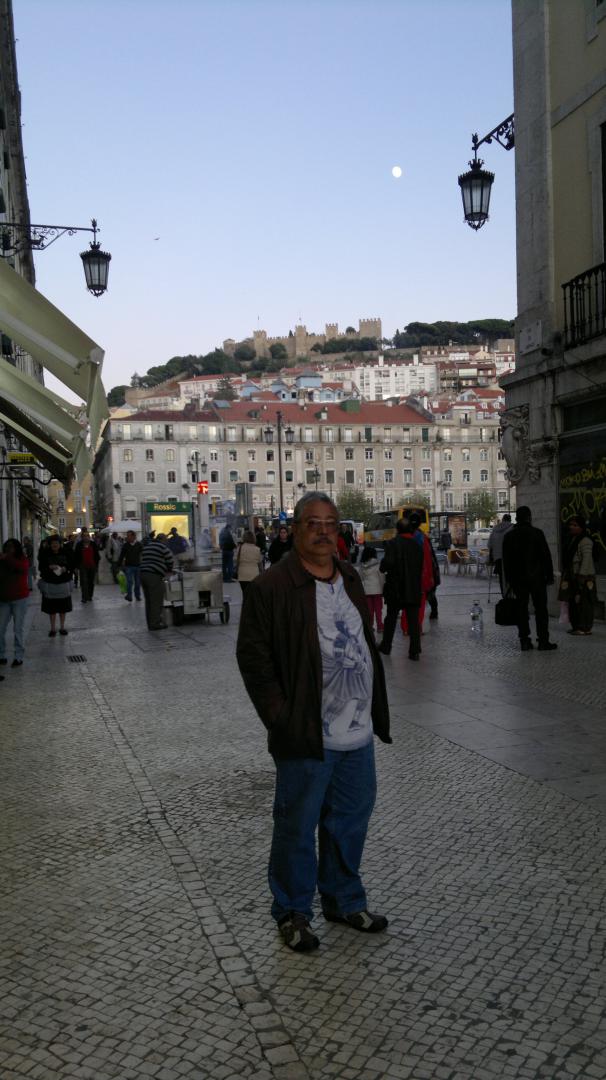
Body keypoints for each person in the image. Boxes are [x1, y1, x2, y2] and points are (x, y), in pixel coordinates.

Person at [236, 492, 391, 953]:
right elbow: (253, 659)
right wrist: (281, 717)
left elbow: (361, 640)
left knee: (349, 821)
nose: (324, 531)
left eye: (331, 523)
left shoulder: (347, 575)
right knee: (297, 826)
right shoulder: (272, 586)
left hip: (357, 731)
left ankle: (344, 900)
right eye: (313, 523)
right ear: (296, 529)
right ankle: (292, 911)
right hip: (306, 732)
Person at [502, 506, 557, 652]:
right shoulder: (537, 533)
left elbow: (506, 562)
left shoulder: (509, 537)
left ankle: (524, 641)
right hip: (537, 579)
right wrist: (549, 576)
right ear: (529, 517)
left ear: (517, 518)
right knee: (541, 610)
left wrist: (509, 581)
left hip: (518, 580)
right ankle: (543, 640)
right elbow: (546, 557)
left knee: (521, 609)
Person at [379, 516, 424, 661]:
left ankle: (386, 646)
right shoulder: (417, 545)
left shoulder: (392, 544)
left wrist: (383, 565)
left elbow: (387, 563)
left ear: (397, 529)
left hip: (395, 587)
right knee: (413, 621)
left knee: (391, 617)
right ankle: (414, 651)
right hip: (412, 587)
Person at [559, 516, 597, 636]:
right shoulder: (572, 539)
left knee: (584, 603)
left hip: (584, 577)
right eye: (571, 525)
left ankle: (585, 627)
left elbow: (586, 560)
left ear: (581, 527)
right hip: (572, 575)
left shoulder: (585, 540)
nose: (572, 527)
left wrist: (582, 575)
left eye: (575, 525)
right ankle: (576, 626)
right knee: (574, 602)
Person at [0, 538, 30, 667]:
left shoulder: (21, 559)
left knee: (18, 628)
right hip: (4, 599)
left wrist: (7, 558)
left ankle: (18, 656)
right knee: (0, 629)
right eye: (7, 547)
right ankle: (1, 655)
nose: (9, 549)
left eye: (11, 547)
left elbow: (22, 568)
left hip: (19, 598)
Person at [38, 534, 73, 637]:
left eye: (57, 543)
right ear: (50, 544)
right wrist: (49, 567)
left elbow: (71, 564)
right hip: (50, 584)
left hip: (63, 583)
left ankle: (62, 627)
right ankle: (52, 628)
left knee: (63, 608)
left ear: (60, 544)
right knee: (51, 609)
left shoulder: (66, 552)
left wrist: (65, 568)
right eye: (53, 543)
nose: (55, 545)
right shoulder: (45, 554)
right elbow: (41, 568)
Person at [140, 532, 174, 630]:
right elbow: (170, 560)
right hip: (154, 575)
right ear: (163, 540)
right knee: (156, 600)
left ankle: (150, 623)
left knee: (149, 601)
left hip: (143, 574)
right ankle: (155, 623)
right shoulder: (163, 547)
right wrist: (168, 570)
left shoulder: (148, 546)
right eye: (166, 541)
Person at [357, 543, 384, 635]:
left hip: (367, 591)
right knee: (378, 610)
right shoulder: (377, 564)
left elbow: (360, 577)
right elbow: (381, 577)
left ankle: (370, 626)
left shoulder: (362, 565)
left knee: (370, 610)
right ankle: (380, 626)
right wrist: (382, 588)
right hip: (377, 590)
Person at [488, 514, 513, 596]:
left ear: (502, 520)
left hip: (498, 557)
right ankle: (511, 595)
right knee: (511, 577)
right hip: (509, 558)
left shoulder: (495, 529)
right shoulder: (512, 528)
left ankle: (504, 594)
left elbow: (489, 544)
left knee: (502, 578)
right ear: (510, 520)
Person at [73, 531, 100, 603]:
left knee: (91, 582)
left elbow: (97, 556)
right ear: (82, 537)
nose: (86, 537)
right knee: (84, 581)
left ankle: (90, 596)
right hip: (82, 566)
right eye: (84, 536)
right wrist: (75, 567)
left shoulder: (93, 544)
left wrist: (96, 565)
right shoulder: (79, 545)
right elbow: (75, 556)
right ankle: (84, 597)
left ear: (89, 537)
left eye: (87, 536)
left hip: (92, 565)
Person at [118, 530, 143, 601]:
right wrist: (119, 565)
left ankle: (137, 595)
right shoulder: (125, 545)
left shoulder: (139, 544)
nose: (127, 537)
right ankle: (129, 596)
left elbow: (142, 554)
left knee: (137, 583)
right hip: (128, 566)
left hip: (138, 566)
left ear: (133, 536)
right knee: (129, 582)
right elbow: (122, 555)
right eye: (127, 536)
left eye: (129, 536)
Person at [235, 530, 263, 594]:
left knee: (245, 593)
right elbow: (260, 564)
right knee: (253, 595)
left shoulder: (240, 548)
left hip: (242, 575)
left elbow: (236, 560)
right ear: (254, 538)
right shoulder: (257, 549)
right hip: (254, 575)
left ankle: (245, 603)